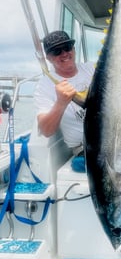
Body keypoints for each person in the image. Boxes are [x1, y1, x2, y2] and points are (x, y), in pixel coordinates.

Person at [34, 30, 95, 169]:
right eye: (56, 51)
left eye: (67, 47)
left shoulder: (92, 69)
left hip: (114, 139)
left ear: (73, 49)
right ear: (48, 57)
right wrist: (61, 103)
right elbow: (46, 130)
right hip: (85, 149)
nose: (64, 54)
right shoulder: (44, 86)